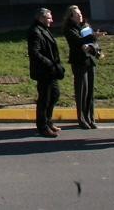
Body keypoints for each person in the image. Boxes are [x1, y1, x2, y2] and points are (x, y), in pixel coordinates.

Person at [62, 5, 101, 130]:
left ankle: (91, 118)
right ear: (71, 17)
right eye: (77, 14)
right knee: (82, 91)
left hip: (90, 60)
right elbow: (78, 41)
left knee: (90, 92)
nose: (80, 16)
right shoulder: (69, 29)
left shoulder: (86, 26)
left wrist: (96, 50)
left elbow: (93, 43)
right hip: (79, 62)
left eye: (80, 13)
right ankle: (82, 119)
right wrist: (93, 36)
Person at [28, 7, 64, 138]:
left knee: (54, 95)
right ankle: (42, 126)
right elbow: (34, 52)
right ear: (41, 18)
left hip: (51, 71)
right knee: (44, 99)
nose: (52, 20)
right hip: (44, 71)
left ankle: (48, 120)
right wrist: (49, 63)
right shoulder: (35, 31)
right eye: (49, 18)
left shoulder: (44, 29)